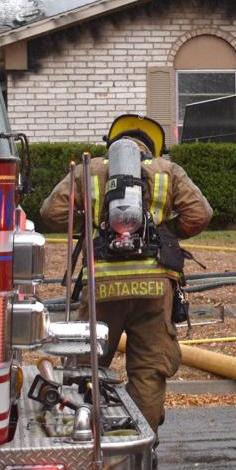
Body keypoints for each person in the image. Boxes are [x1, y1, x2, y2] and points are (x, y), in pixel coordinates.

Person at [40, 114, 212, 436]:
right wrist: (164, 232)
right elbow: (200, 214)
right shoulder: (168, 171)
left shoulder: (89, 170)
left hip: (102, 285)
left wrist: (93, 226)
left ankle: (85, 435)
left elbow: (52, 212)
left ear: (111, 145)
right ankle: (142, 446)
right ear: (152, 149)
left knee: (86, 366)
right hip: (154, 287)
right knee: (149, 370)